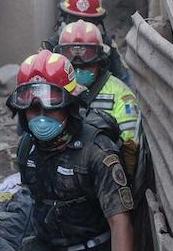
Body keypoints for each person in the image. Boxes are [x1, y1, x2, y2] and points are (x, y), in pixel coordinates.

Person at [2, 50, 137, 251]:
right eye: (32, 110)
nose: (40, 118)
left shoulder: (98, 152)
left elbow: (120, 222)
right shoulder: (28, 148)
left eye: (50, 108)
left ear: (70, 105)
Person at [55, 19, 140, 176]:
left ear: (100, 63)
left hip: (103, 175)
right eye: (73, 68)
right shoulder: (54, 90)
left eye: (86, 67)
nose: (78, 73)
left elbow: (130, 146)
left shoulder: (120, 93)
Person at [44, 0, 134, 89]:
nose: (80, 25)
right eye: (74, 19)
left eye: (89, 21)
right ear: (64, 18)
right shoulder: (51, 46)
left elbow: (124, 81)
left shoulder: (107, 47)